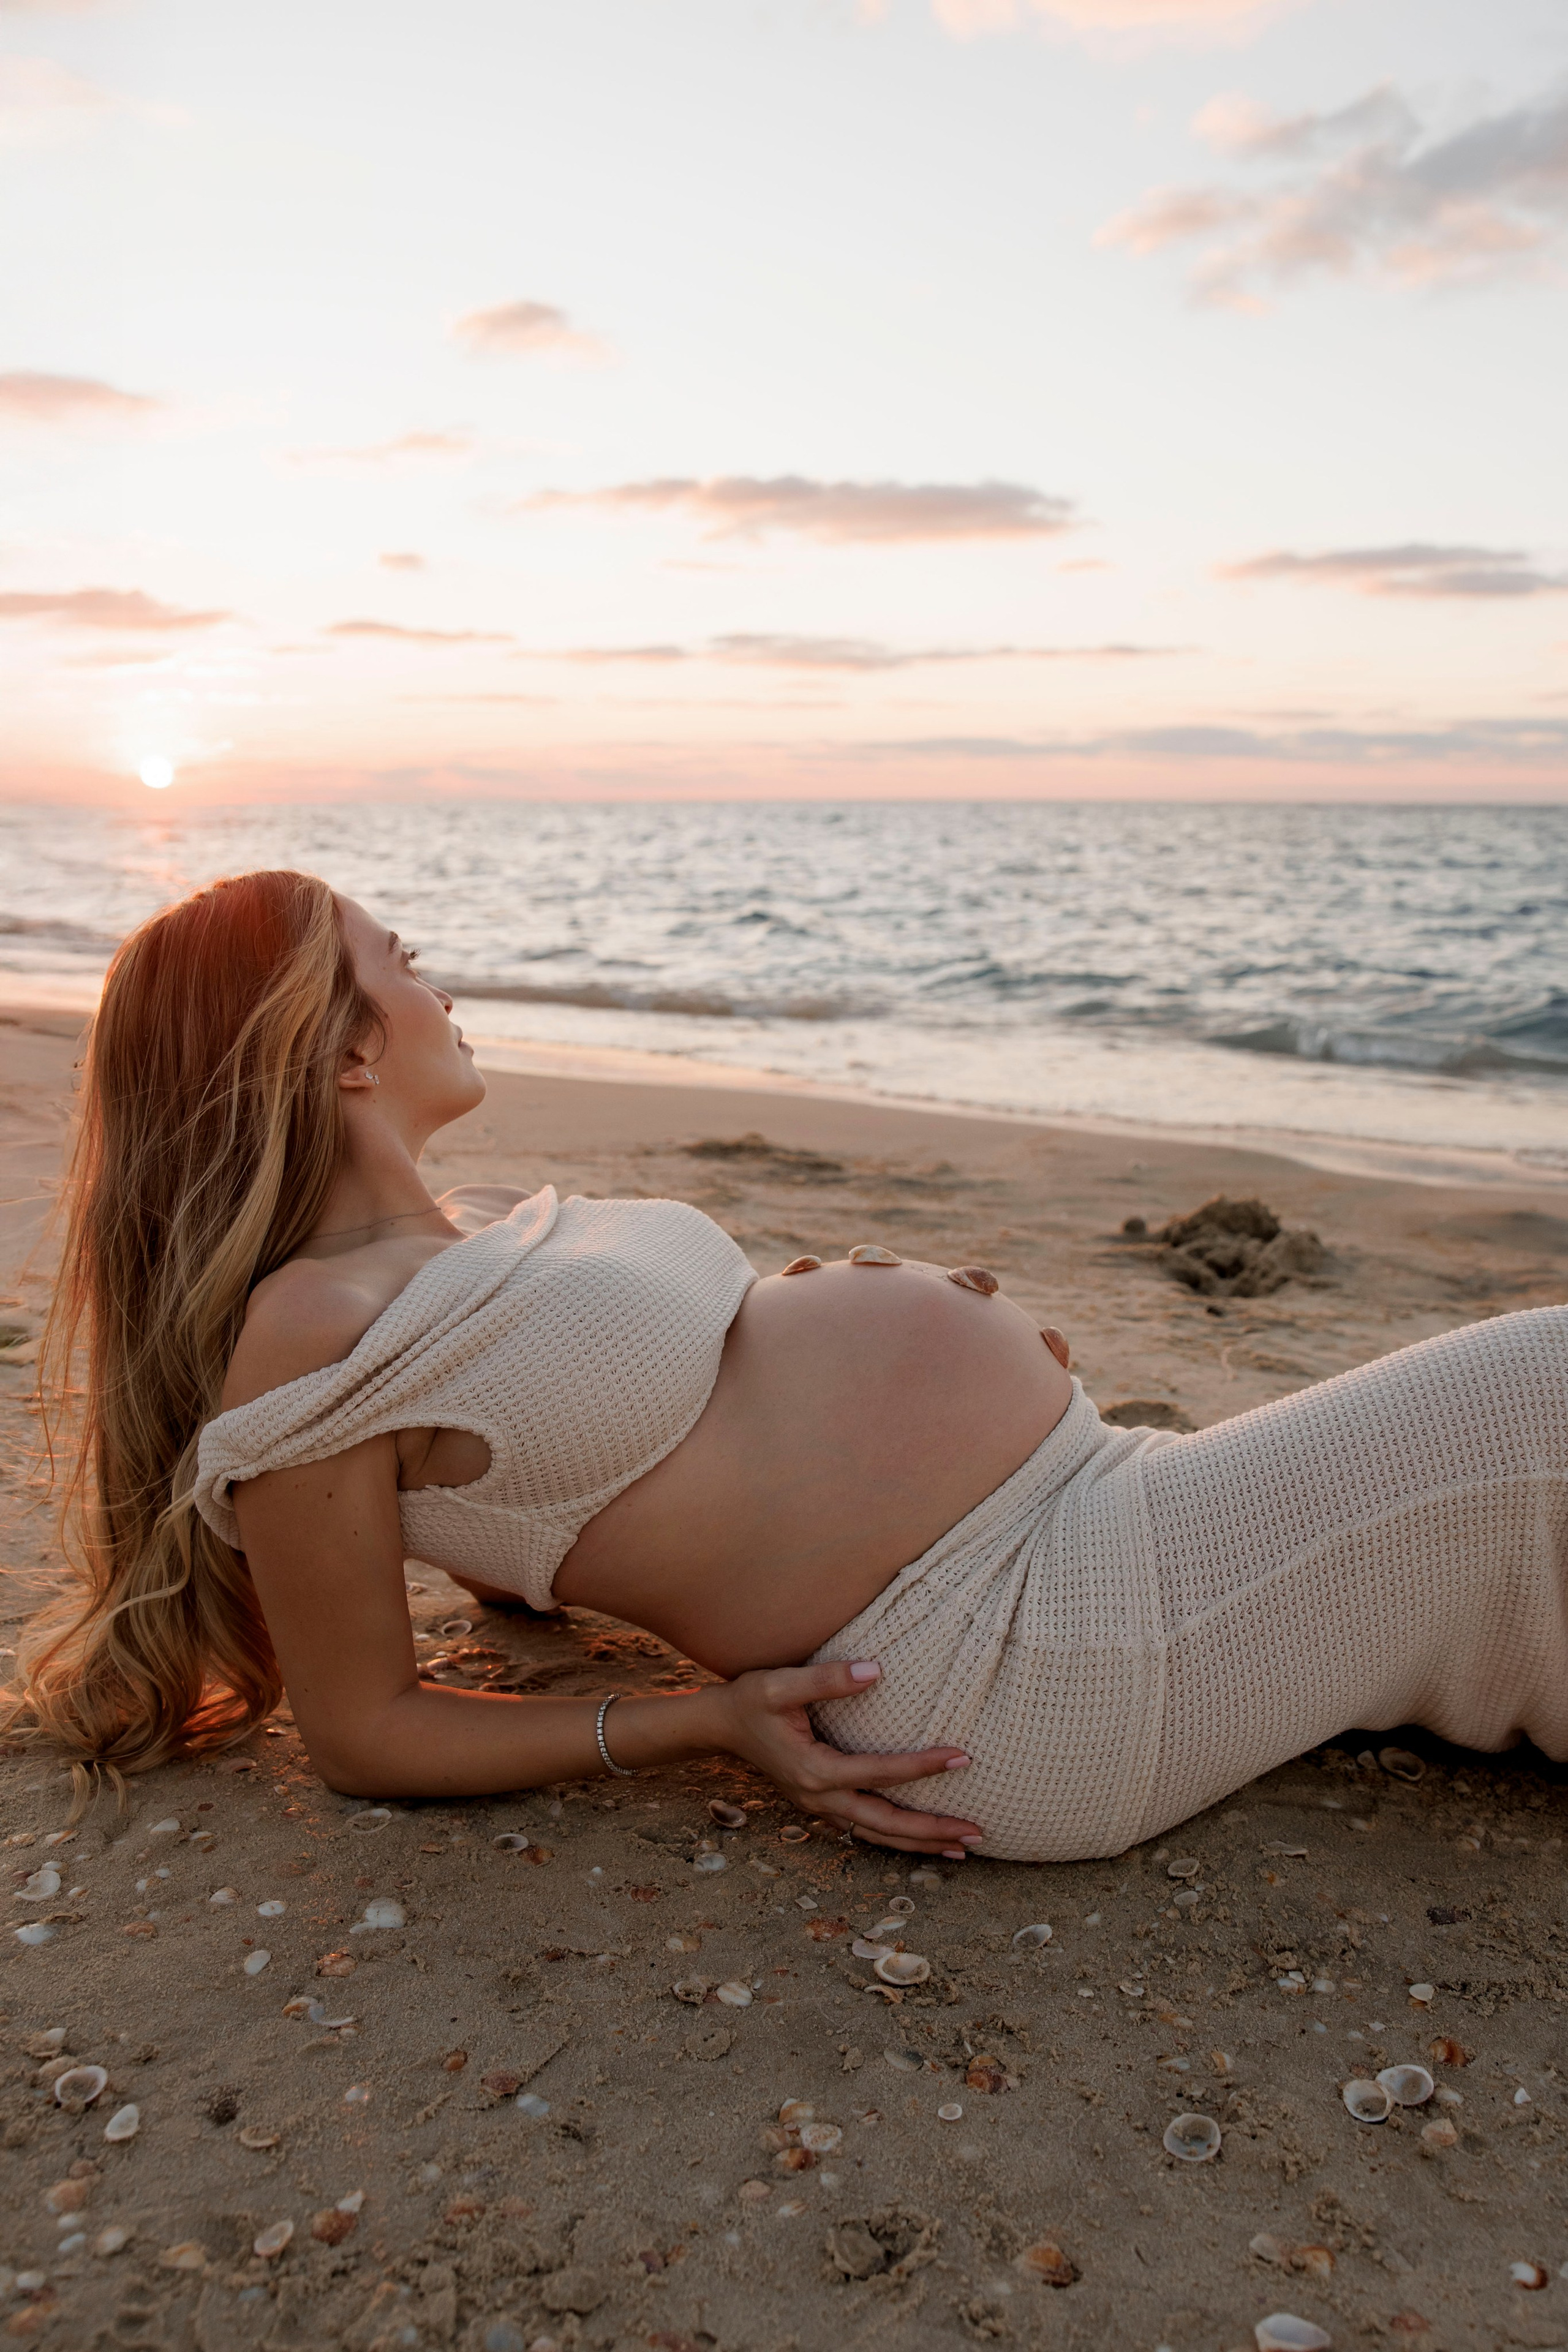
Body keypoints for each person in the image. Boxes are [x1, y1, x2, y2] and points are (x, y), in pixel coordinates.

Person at [15, 871, 1568, 1863]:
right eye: (403, 960)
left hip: (1082, 1514)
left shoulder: (462, 1245)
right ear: (345, 1049)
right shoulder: (308, 1322)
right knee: (1535, 1393)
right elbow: (361, 1728)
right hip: (1018, 1642)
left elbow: (542, 1507)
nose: (442, 985)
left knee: (1501, 1549)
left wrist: (875, 1341)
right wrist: (697, 1726)